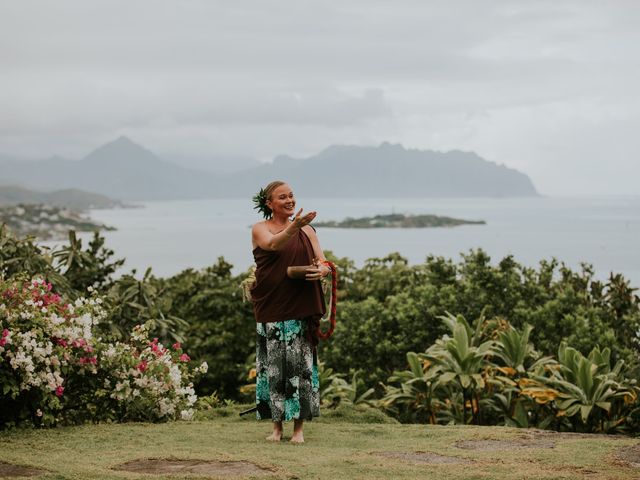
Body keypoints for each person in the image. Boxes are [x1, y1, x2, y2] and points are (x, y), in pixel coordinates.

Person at [250, 180, 331, 443]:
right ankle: (276, 428)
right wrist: (295, 225)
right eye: (282, 197)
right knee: (272, 368)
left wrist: (322, 269)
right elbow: (273, 245)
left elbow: (323, 260)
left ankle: (298, 430)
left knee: (300, 368)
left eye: (292, 196)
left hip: (300, 306)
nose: (289, 200)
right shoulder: (260, 229)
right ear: (269, 203)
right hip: (271, 307)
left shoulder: (307, 231)